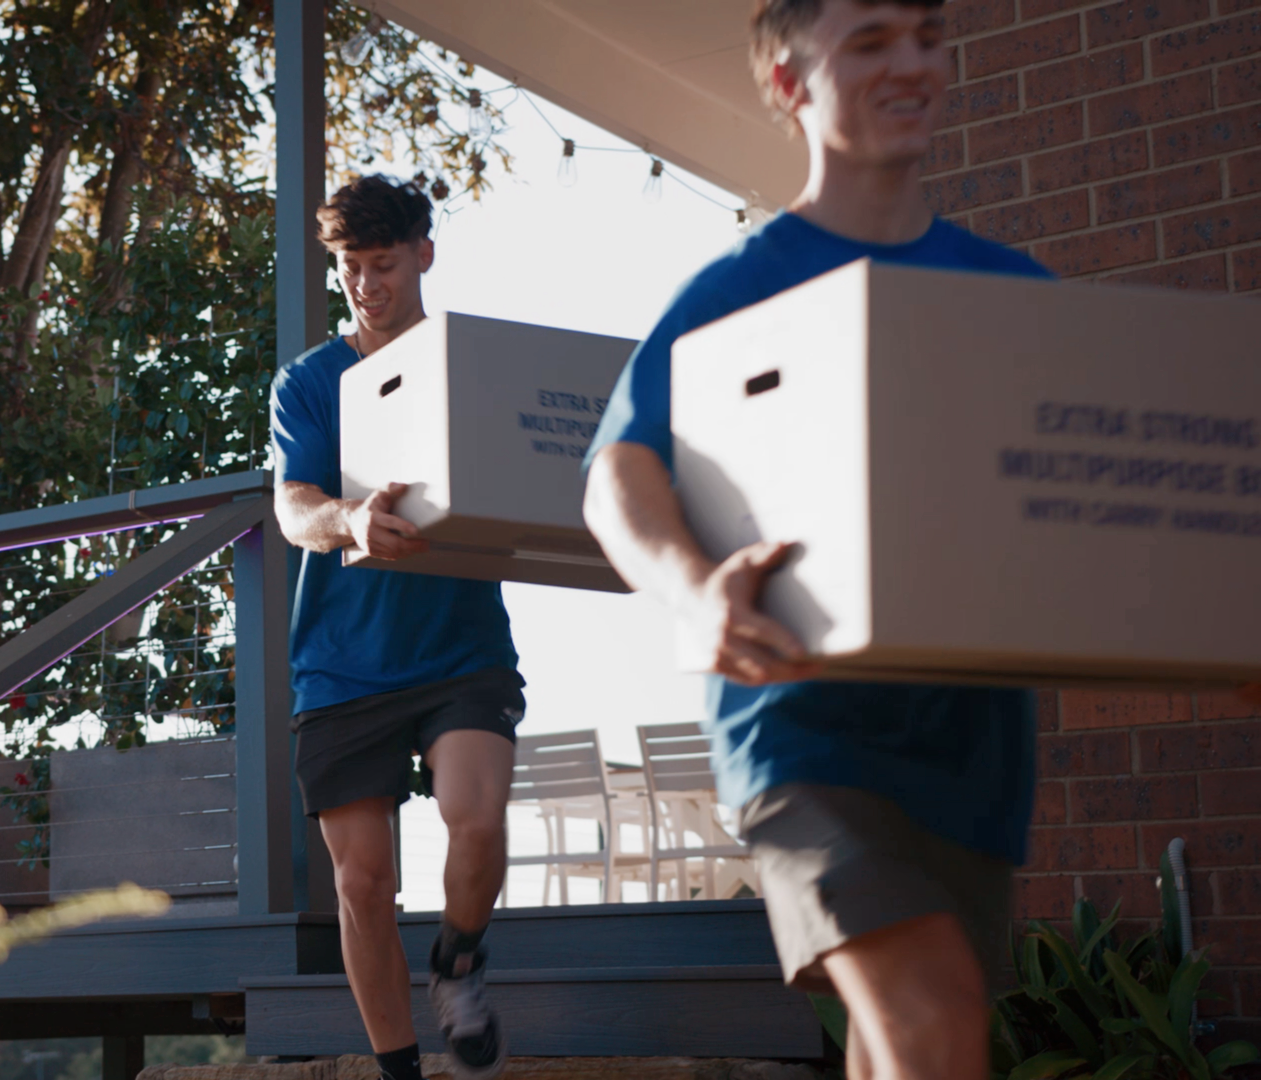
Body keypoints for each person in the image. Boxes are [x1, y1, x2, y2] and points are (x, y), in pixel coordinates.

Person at [581, 4, 1050, 1080]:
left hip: (972, 754)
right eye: (871, 42)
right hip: (803, 738)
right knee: (932, 1012)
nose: (913, 64)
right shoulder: (739, 289)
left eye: (927, 36)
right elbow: (616, 474)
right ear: (789, 86)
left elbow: (1080, 502)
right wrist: (695, 592)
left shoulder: (1015, 296)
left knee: (905, 1043)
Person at [271, 174, 521, 1080]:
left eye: (382, 263)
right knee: (361, 882)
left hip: (462, 646)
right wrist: (350, 521)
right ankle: (401, 1071)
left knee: (477, 820)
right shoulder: (309, 382)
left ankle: (459, 958)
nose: (365, 283)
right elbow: (294, 506)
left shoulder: (472, 364)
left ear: (423, 254)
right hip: (343, 662)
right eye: (351, 266)